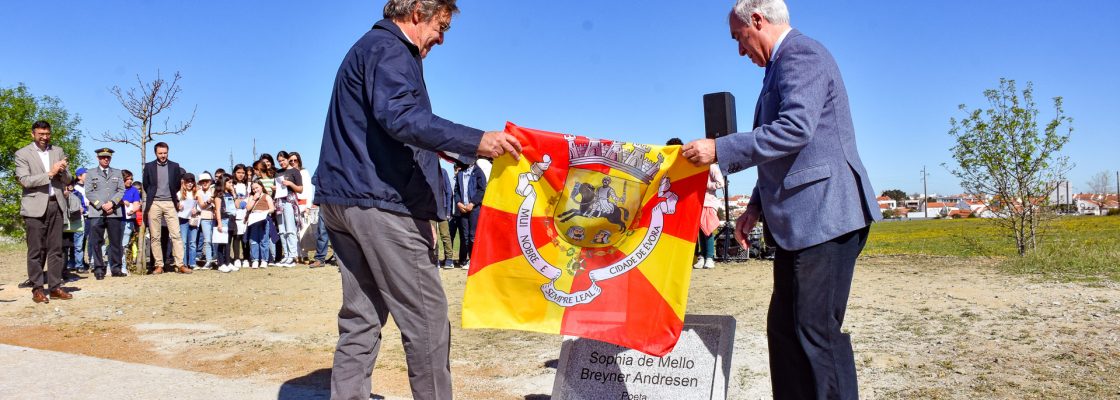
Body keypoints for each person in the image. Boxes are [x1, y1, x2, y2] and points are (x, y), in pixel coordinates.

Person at [313, 0, 522, 398]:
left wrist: (455, 152)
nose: (441, 39)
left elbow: (392, 126)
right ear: (416, 14)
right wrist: (476, 141)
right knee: (427, 319)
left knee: (361, 316)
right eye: (441, 26)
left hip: (346, 197)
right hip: (380, 202)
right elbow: (400, 117)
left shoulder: (368, 48)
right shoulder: (391, 49)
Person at [681, 1, 880, 398]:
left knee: (815, 332)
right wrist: (755, 207)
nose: (740, 50)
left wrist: (720, 148)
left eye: (739, 38)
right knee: (785, 332)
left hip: (826, 216)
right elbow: (785, 153)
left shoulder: (801, 54)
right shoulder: (779, 67)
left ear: (757, 20)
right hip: (800, 223)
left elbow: (794, 129)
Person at [15, 120, 73, 303]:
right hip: (34, 207)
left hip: (56, 204)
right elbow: (25, 180)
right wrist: (49, 173)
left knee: (56, 250)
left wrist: (62, 172)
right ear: (33, 134)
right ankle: (37, 289)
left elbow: (68, 179)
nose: (44, 137)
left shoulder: (58, 151)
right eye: (41, 134)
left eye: (47, 134)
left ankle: (55, 287)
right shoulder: (22, 154)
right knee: (36, 250)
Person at [142, 142, 191, 274]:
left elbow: (175, 184)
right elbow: (146, 184)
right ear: (155, 153)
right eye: (160, 153)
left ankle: (180, 264)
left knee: (176, 234)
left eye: (165, 153)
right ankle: (159, 265)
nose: (163, 155)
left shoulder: (174, 166)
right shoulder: (149, 166)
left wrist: (171, 196)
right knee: (155, 236)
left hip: (170, 202)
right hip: (155, 203)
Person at [84, 147, 126, 280]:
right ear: (98, 158)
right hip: (97, 212)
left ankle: (116, 268)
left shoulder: (117, 172)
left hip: (114, 212)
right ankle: (98, 269)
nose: (105, 159)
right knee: (96, 241)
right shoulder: (90, 173)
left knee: (115, 241)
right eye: (102, 157)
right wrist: (101, 205)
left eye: (108, 157)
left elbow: (121, 190)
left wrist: (112, 203)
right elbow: (89, 192)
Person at [453, 160, 486, 269]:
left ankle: (474, 260)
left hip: (474, 209)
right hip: (463, 209)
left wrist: (473, 203)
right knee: (464, 236)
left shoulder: (478, 172)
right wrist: (458, 203)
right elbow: (456, 190)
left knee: (473, 235)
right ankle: (463, 260)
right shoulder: (460, 173)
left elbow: (482, 190)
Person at [273, 151, 303, 267]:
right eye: (279, 161)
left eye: (283, 160)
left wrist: (290, 183)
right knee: (282, 229)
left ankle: (292, 255)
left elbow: (300, 189)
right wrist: (276, 187)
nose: (281, 163)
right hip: (279, 201)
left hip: (289, 200)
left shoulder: (295, 171)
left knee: (290, 229)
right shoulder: (278, 172)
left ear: (287, 159)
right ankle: (286, 255)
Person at [244, 180, 274, 269]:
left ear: (261, 187)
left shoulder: (267, 196)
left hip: (263, 220)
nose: (255, 190)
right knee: (253, 241)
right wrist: (254, 199)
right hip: (253, 220)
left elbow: (272, 208)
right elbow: (248, 208)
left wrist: (264, 212)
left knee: (264, 240)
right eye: (253, 189)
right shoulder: (251, 197)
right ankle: (255, 260)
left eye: (257, 187)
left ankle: (264, 260)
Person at [196, 172, 219, 269]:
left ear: (210, 182)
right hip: (204, 218)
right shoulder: (199, 192)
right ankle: (209, 261)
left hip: (215, 217)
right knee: (207, 240)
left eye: (207, 181)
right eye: (202, 181)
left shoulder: (214, 191)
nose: (205, 183)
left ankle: (217, 258)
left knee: (217, 239)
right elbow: (202, 205)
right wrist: (209, 201)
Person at [120, 170, 141, 274]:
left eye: (131, 179)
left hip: (128, 221)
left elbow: (137, 203)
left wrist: (134, 209)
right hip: (116, 220)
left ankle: (123, 266)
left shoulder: (134, 190)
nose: (130, 181)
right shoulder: (117, 189)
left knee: (124, 244)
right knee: (114, 243)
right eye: (127, 179)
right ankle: (112, 265)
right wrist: (122, 201)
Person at [435, 165, 455, 269]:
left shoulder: (443, 172)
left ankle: (449, 259)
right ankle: (435, 259)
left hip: (443, 209)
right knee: (431, 236)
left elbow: (449, 192)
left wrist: (448, 211)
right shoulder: (426, 172)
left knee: (445, 235)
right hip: (430, 210)